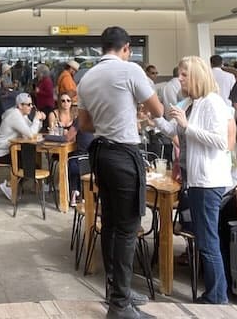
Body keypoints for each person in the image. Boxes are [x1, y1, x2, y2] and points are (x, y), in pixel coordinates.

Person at [77, 27, 162, 319]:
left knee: (111, 223)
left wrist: (117, 116)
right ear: (126, 48)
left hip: (100, 153)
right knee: (127, 229)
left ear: (103, 48)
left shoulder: (86, 78)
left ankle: (117, 292)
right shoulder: (130, 70)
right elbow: (159, 109)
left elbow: (85, 125)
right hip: (124, 154)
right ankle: (120, 306)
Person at [155, 56, 231, 305]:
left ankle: (216, 296)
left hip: (208, 181)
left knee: (208, 240)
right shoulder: (192, 102)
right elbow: (173, 131)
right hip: (196, 180)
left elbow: (221, 142)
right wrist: (153, 117)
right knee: (203, 237)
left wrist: (187, 127)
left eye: (184, 75)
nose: (180, 79)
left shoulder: (212, 103)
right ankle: (214, 293)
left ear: (197, 77)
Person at [0, 93, 44, 200]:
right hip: (2, 152)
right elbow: (31, 134)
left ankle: (36, 186)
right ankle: (10, 186)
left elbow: (31, 130)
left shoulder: (21, 115)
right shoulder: (14, 115)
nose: (31, 107)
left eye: (31, 105)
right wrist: (36, 119)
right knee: (27, 164)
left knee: (32, 162)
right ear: (20, 106)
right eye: (28, 105)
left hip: (11, 150)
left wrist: (39, 121)